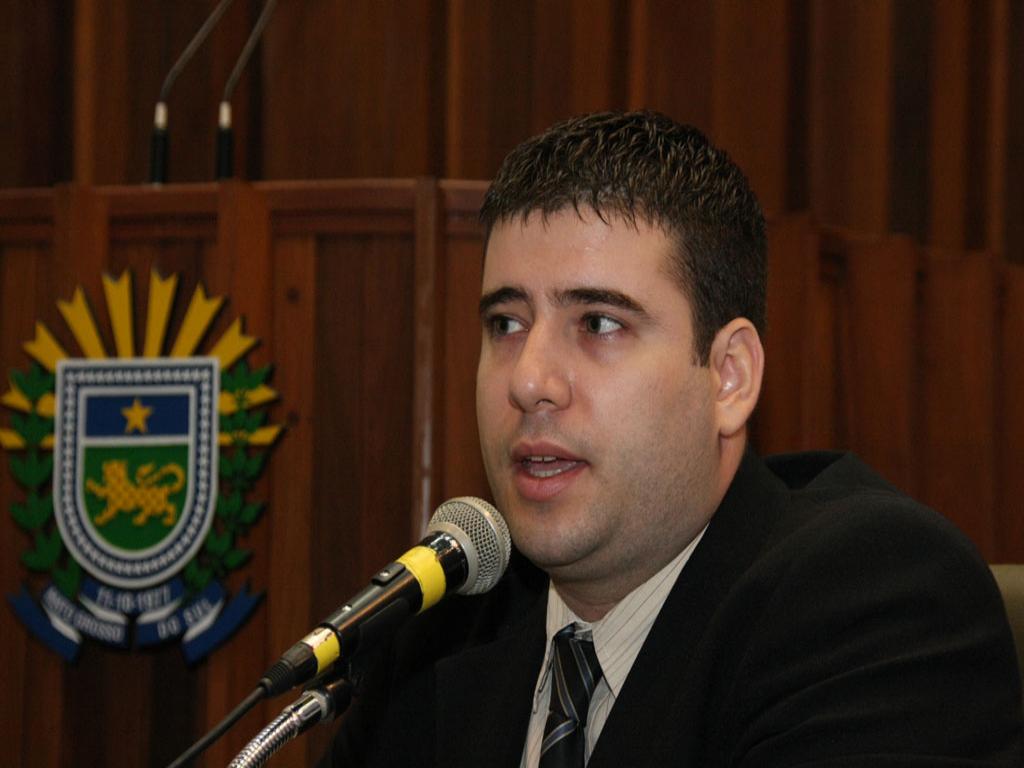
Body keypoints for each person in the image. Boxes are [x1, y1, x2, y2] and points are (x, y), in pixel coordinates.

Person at [323, 111, 1024, 767]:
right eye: (506, 324)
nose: (529, 380)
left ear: (728, 377)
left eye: (598, 323)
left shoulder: (871, 601)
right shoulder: (439, 630)